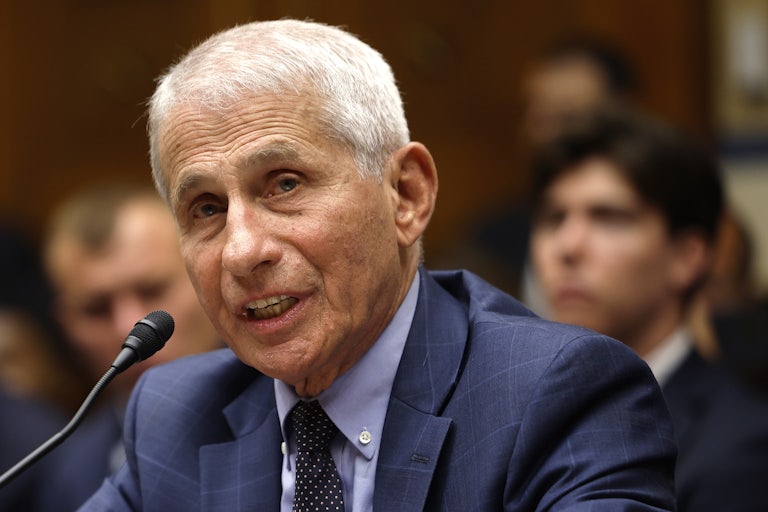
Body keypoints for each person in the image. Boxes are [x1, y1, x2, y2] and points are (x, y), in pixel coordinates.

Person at [79, 20, 676, 511]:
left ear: (407, 196)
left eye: (285, 184)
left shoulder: (556, 395)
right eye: (206, 208)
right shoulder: (176, 415)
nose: (241, 250)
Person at [527, 107, 768, 512]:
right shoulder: (507, 413)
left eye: (609, 218)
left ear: (687, 257)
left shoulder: (741, 445)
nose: (567, 247)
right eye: (554, 218)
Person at [38, 180, 222, 511]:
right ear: (66, 326)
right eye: (96, 309)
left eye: (152, 291)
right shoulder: (68, 472)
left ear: (204, 276)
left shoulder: (293, 410)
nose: (128, 326)